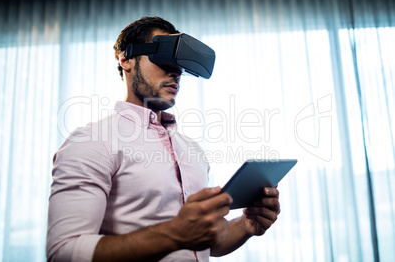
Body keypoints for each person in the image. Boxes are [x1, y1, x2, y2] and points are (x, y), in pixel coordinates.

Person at [46, 16, 281, 262]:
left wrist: (246, 225)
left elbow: (205, 243)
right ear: (126, 59)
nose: (176, 71)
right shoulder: (91, 142)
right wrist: (175, 233)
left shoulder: (192, 150)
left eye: (179, 63)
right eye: (164, 57)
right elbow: (64, 252)